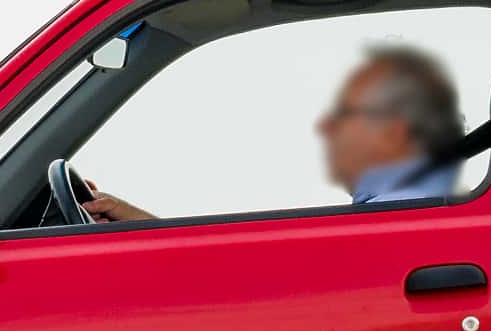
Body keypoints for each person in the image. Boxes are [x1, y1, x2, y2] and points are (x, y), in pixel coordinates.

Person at [79, 43, 470, 223]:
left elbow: (258, 285)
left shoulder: (399, 212)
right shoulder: (408, 207)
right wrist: (142, 227)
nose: (326, 128)